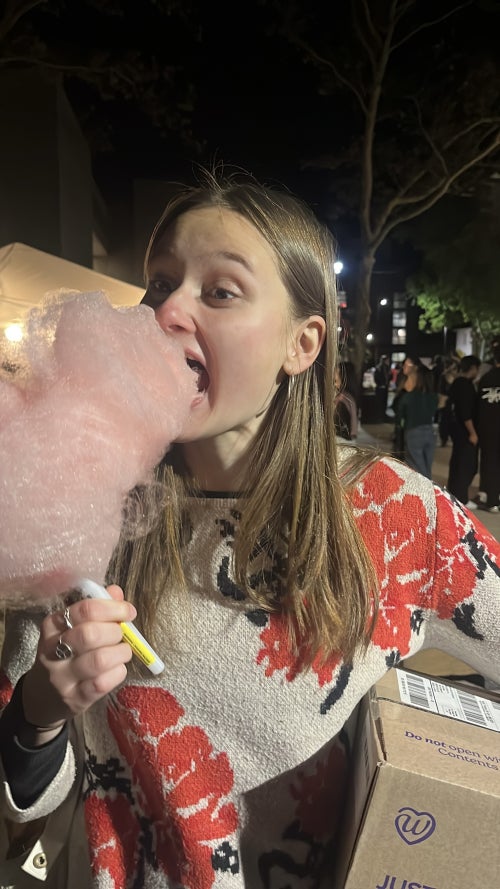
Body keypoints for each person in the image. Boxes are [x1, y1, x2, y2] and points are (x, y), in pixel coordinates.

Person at [1, 173, 499, 889]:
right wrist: (40, 712)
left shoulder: (396, 513)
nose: (167, 310)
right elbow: (28, 792)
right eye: (159, 282)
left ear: (302, 344)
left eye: (219, 290)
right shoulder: (80, 500)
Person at [447, 354, 481, 509]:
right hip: (465, 431)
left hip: (456, 430)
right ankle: (461, 498)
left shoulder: (456, 383)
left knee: (458, 462)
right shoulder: (466, 386)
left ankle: (455, 495)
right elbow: (466, 412)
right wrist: (473, 432)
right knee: (466, 465)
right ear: (473, 368)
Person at [395, 361, 438, 479]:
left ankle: (423, 492)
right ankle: (429, 489)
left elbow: (399, 416)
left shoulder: (408, 397)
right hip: (430, 431)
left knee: (416, 468)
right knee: (426, 466)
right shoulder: (433, 396)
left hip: (413, 431)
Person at [477, 344, 500, 513]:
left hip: (488, 430)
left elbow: (479, 406)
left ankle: (490, 498)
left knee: (489, 463)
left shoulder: (486, 379)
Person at [334, 360, 358, 441]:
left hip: (341, 441)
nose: (334, 375)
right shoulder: (350, 396)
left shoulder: (342, 399)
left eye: (337, 371)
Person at [374, 354, 391, 421]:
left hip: (385, 387)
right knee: (380, 402)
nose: (388, 361)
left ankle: (383, 415)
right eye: (387, 360)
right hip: (380, 387)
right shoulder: (379, 367)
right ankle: (379, 416)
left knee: (384, 402)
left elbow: (389, 377)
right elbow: (376, 377)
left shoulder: (387, 368)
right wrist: (381, 384)